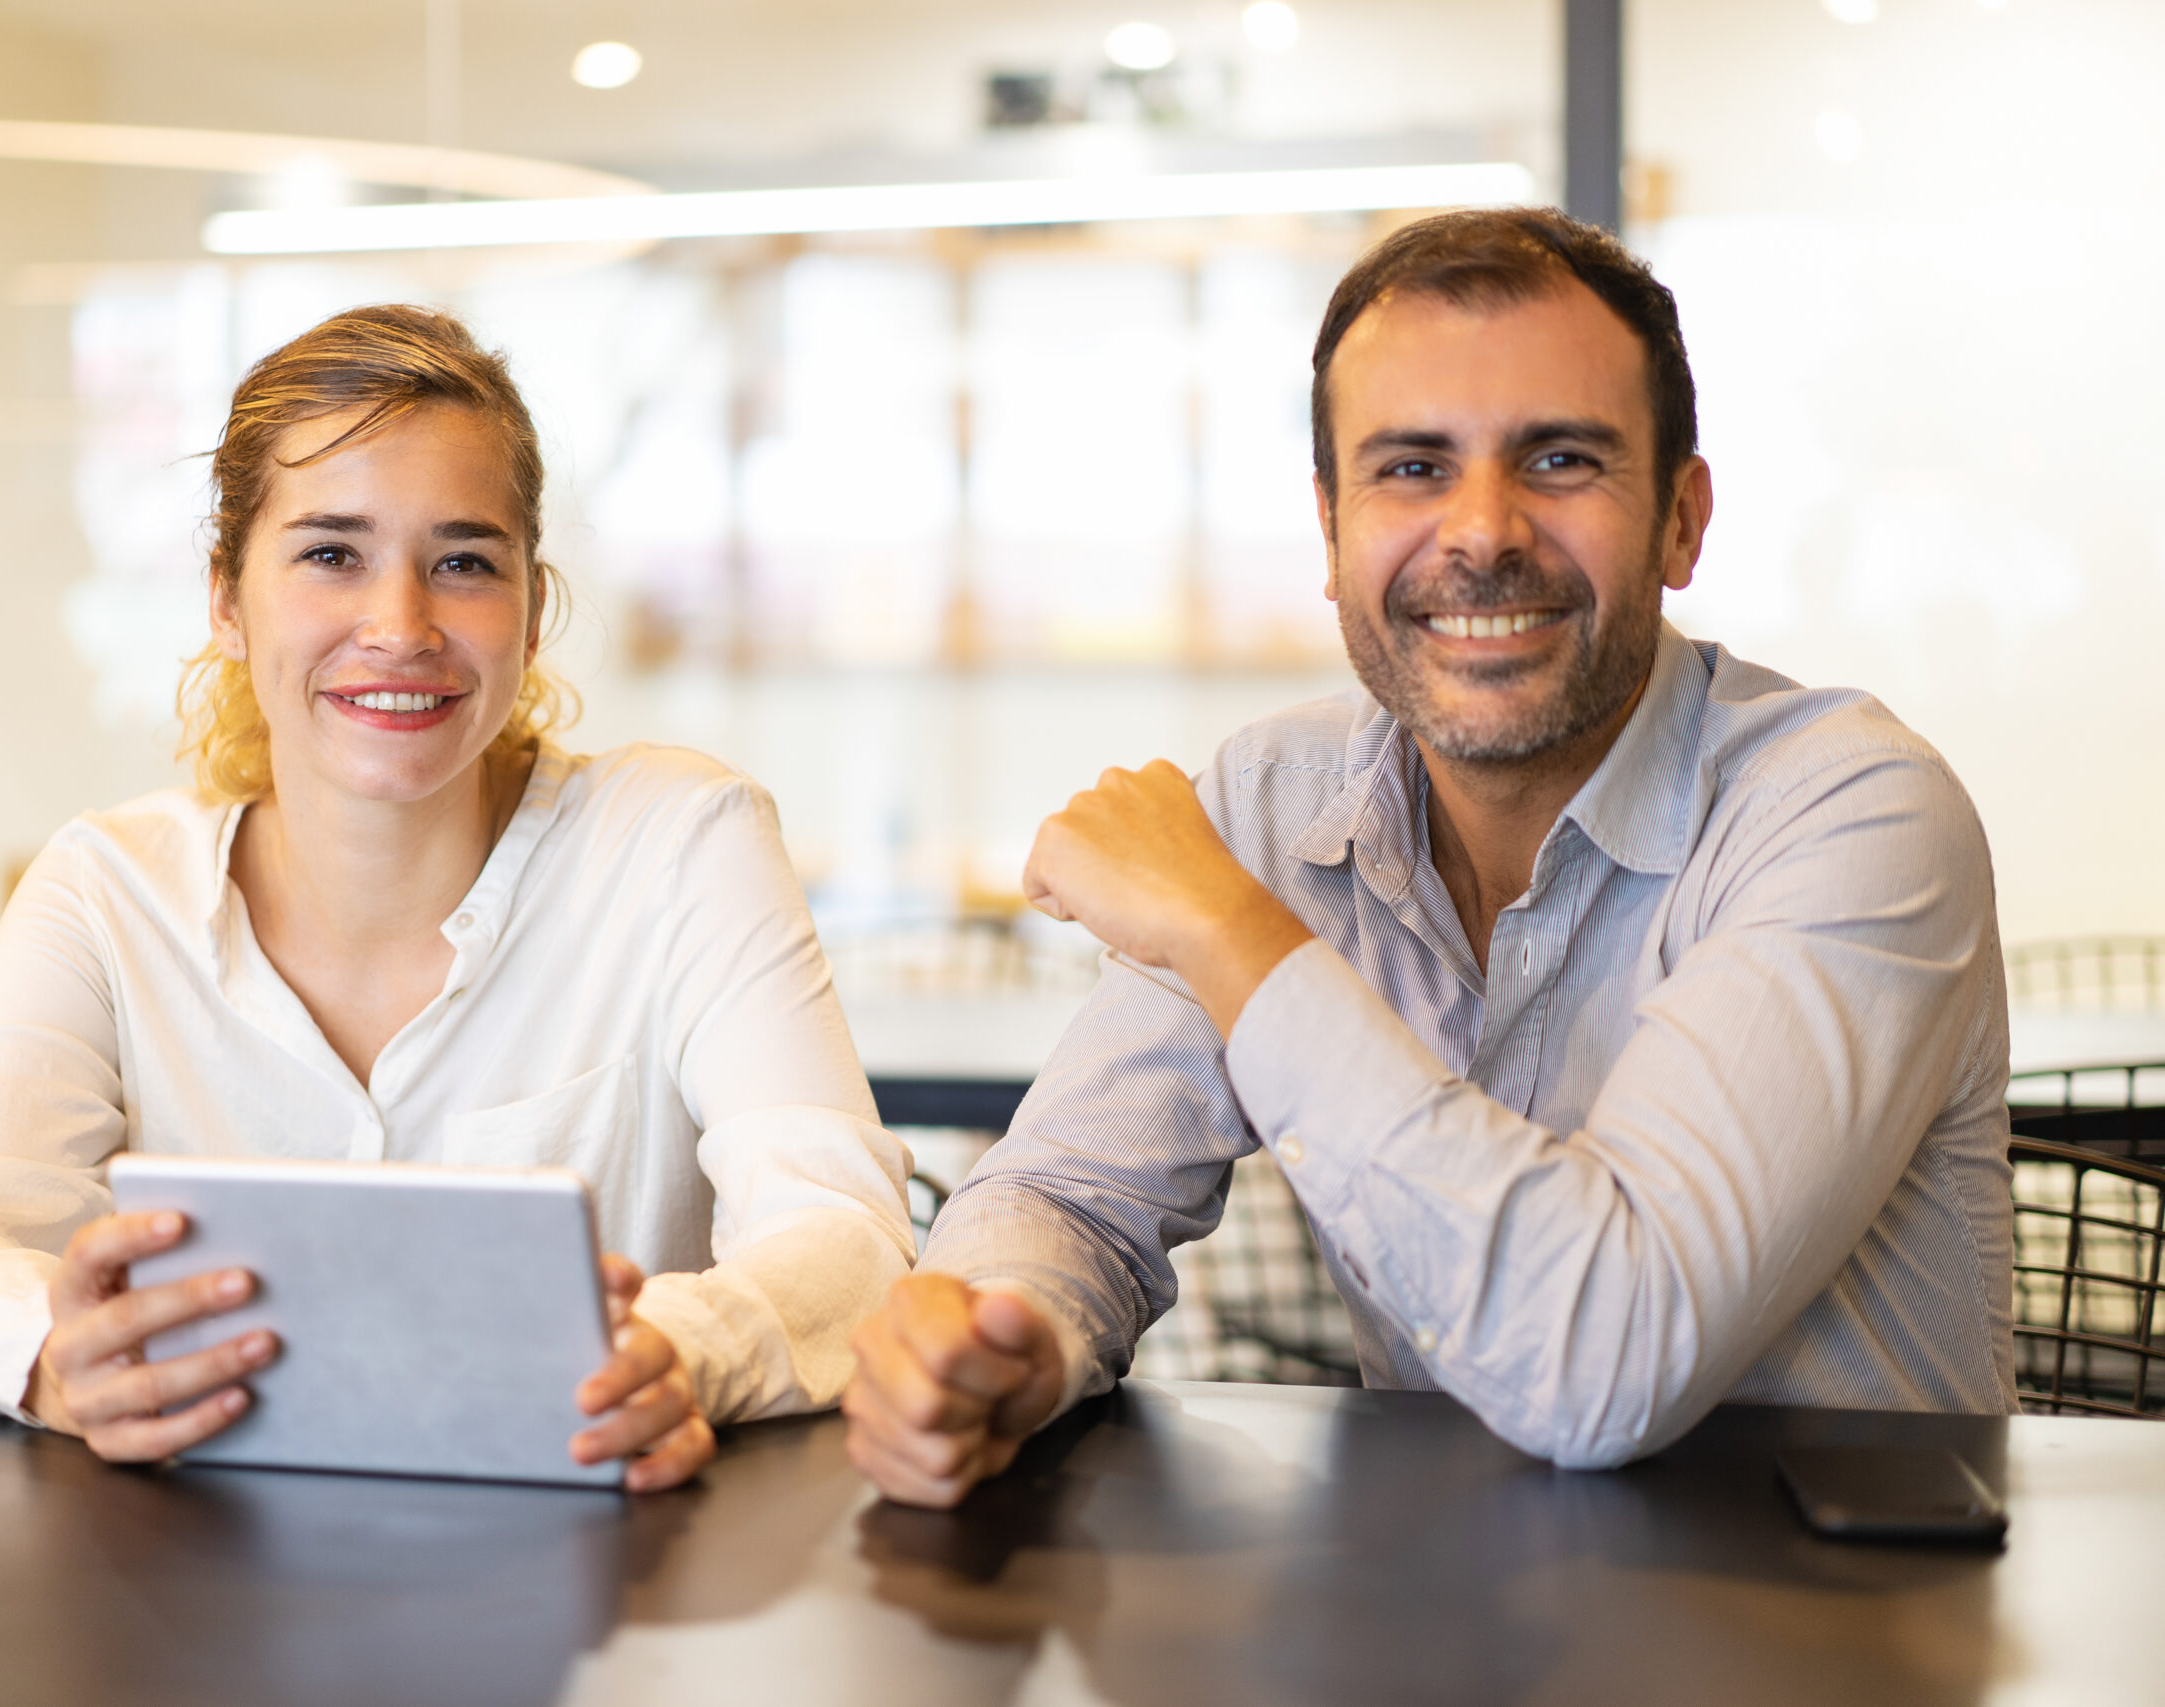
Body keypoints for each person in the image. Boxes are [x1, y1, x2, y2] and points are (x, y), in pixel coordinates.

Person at [844, 207, 2013, 1505]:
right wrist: (993, 1334)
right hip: (1438, 1606)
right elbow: (1072, 1191)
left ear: (1682, 521)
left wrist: (1231, 933)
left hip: (1832, 1633)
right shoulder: (1271, 798)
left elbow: (1606, 1356)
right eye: (1411, 468)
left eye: (1560, 458)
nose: (1482, 531)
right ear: (1332, 534)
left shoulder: (1849, 808)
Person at [0, 305, 913, 1491]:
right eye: (330, 554)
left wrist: (686, 1350)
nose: (401, 628)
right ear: (225, 597)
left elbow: (850, 1237)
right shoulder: (107, 894)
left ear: (531, 606)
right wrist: (48, 1352)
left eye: (463, 562)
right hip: (202, 1604)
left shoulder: (677, 847)